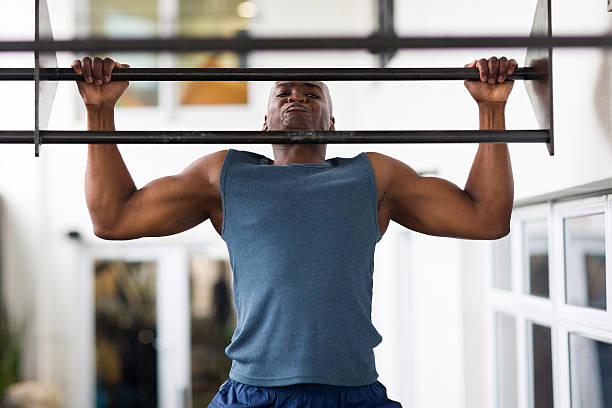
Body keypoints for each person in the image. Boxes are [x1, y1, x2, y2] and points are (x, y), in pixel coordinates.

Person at [72, 55, 517, 407]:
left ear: (332, 124)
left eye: (312, 93)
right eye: (282, 92)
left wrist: (491, 108)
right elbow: (113, 218)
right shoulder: (226, 175)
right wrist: (100, 110)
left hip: (351, 391)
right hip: (253, 394)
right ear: (264, 122)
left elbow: (486, 218)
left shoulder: (373, 177)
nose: (296, 97)